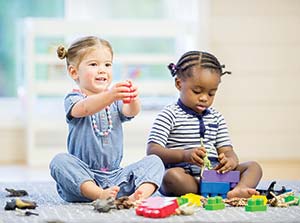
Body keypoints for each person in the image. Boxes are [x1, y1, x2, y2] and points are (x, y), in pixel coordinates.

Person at [49, 36, 164, 203]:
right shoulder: (74, 98)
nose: (102, 70)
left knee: (154, 161)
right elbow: (85, 108)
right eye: (94, 64)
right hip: (83, 178)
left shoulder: (114, 100)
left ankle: (136, 196)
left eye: (107, 64)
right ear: (74, 72)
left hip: (116, 177)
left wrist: (131, 98)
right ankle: (98, 194)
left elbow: (131, 112)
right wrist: (110, 95)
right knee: (59, 162)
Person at [147, 50, 263, 199]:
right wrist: (185, 155)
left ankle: (238, 190)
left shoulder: (217, 117)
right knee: (171, 177)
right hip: (186, 174)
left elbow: (227, 150)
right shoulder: (169, 114)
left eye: (211, 93)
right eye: (197, 91)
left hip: (216, 173)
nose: (204, 98)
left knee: (254, 167)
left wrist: (231, 161)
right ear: (178, 83)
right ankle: (209, 191)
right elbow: (152, 150)